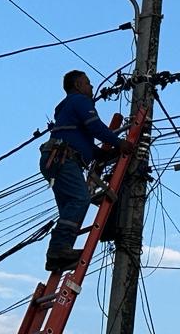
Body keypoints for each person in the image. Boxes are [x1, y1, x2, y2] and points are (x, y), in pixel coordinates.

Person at [39, 69, 133, 273]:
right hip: (64, 159)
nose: (91, 87)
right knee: (80, 200)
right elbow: (95, 127)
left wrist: (105, 153)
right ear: (78, 85)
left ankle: (57, 257)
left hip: (56, 159)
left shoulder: (68, 111)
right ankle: (58, 250)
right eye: (88, 83)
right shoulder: (80, 101)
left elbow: (86, 144)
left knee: (69, 208)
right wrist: (119, 142)